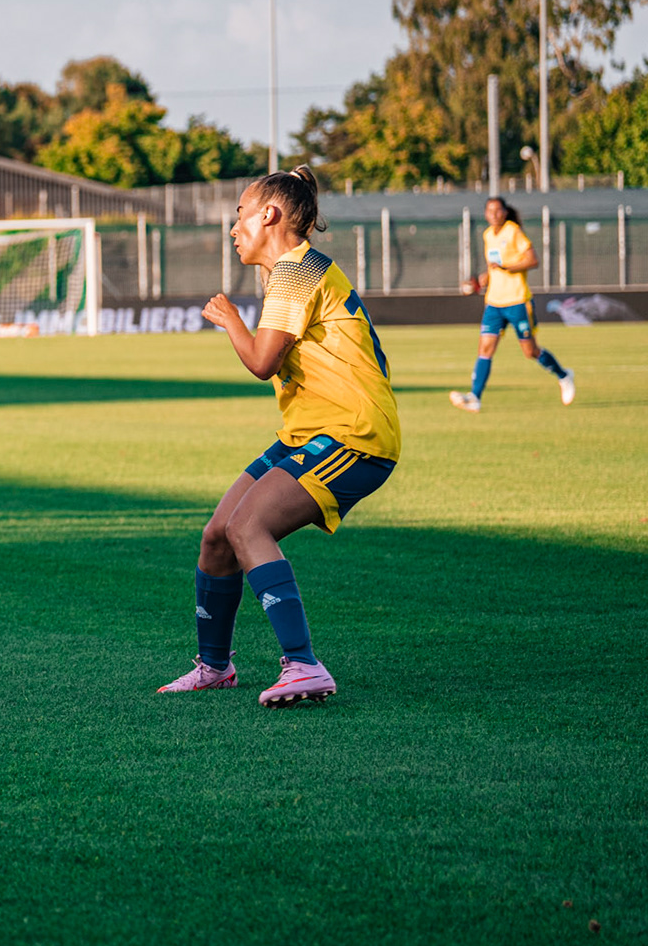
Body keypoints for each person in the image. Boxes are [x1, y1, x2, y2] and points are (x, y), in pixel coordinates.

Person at [158, 167, 400, 706]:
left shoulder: (297, 269)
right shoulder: (290, 272)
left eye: (239, 214)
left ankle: (303, 665)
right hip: (309, 432)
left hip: (353, 434)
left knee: (249, 525)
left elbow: (263, 362)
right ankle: (214, 667)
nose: (232, 228)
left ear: (269, 215)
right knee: (218, 534)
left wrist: (230, 321)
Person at [449, 197, 574, 413]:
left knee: (530, 351)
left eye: (498, 210)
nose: (494, 214)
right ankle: (475, 397)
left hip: (517, 301)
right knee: (485, 349)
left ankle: (563, 376)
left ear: (505, 212)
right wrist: (484, 278)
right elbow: (493, 266)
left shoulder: (513, 231)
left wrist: (508, 266)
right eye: (490, 211)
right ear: (486, 214)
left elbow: (533, 260)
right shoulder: (488, 234)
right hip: (494, 302)